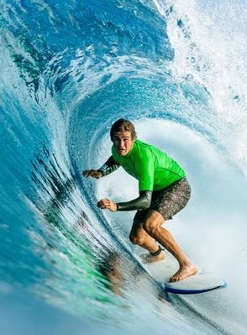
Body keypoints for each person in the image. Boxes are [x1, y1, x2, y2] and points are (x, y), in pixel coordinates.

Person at [83, 118, 198, 283]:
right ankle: (158, 255)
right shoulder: (118, 149)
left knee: (151, 225)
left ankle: (187, 265)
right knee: (137, 238)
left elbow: (145, 200)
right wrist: (101, 172)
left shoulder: (144, 157)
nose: (121, 144)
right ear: (112, 139)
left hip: (176, 186)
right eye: (117, 139)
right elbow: (116, 159)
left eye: (126, 140)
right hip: (156, 190)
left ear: (133, 139)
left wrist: (117, 206)